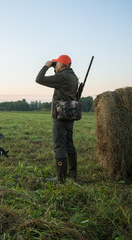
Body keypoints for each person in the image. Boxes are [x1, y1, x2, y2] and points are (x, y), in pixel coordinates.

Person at [35, 55, 79, 183]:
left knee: (59, 145)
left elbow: (39, 79)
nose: (55, 67)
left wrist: (47, 66)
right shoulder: (73, 76)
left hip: (60, 115)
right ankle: (72, 173)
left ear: (61, 65)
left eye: (56, 64)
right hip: (70, 113)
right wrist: (55, 68)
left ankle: (60, 178)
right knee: (69, 144)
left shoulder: (62, 77)